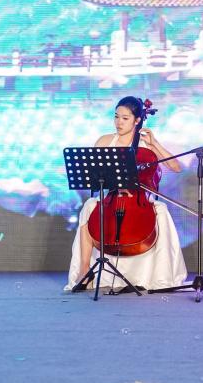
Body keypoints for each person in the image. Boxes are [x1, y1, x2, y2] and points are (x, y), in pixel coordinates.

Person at [65, 96, 188, 292]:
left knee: (162, 210)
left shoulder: (147, 144)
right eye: (116, 117)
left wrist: (155, 143)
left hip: (139, 200)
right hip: (111, 197)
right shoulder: (105, 141)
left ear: (137, 120)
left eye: (125, 118)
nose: (119, 122)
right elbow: (95, 173)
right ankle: (84, 270)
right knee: (89, 206)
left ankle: (158, 275)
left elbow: (176, 167)